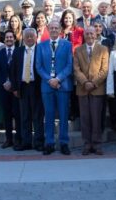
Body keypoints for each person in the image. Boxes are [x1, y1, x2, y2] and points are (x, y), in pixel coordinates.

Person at [36, 21, 73, 155]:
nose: (53, 30)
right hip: (47, 86)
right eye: (51, 28)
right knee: (49, 115)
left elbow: (69, 65)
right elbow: (38, 66)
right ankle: (49, 143)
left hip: (62, 85)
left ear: (60, 30)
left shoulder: (67, 45)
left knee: (63, 116)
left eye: (56, 28)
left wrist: (58, 79)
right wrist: (49, 79)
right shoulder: (41, 46)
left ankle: (64, 143)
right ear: (47, 29)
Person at [74, 26, 109, 155]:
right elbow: (76, 69)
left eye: (92, 33)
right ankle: (87, 144)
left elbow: (104, 70)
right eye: (87, 33)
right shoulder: (78, 50)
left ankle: (97, 144)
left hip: (97, 89)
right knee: (85, 118)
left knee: (96, 118)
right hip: (82, 89)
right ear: (84, 35)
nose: (89, 36)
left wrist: (93, 83)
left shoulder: (103, 49)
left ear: (96, 35)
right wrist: (85, 82)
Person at [10, 28, 44, 151]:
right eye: (27, 36)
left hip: (37, 86)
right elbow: (13, 70)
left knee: (37, 116)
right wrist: (14, 87)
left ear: (36, 38)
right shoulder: (18, 51)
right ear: (23, 38)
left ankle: (39, 142)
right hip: (22, 87)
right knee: (24, 116)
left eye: (32, 36)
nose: (29, 38)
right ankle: (26, 142)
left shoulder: (41, 50)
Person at [0, 30, 22, 149]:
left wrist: (13, 83)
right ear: (4, 39)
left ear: (14, 39)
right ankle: (8, 139)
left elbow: (20, 71)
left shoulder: (19, 52)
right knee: (7, 115)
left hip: (16, 89)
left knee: (18, 114)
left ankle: (18, 139)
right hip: (4, 89)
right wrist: (4, 82)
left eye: (11, 37)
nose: (9, 39)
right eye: (7, 37)